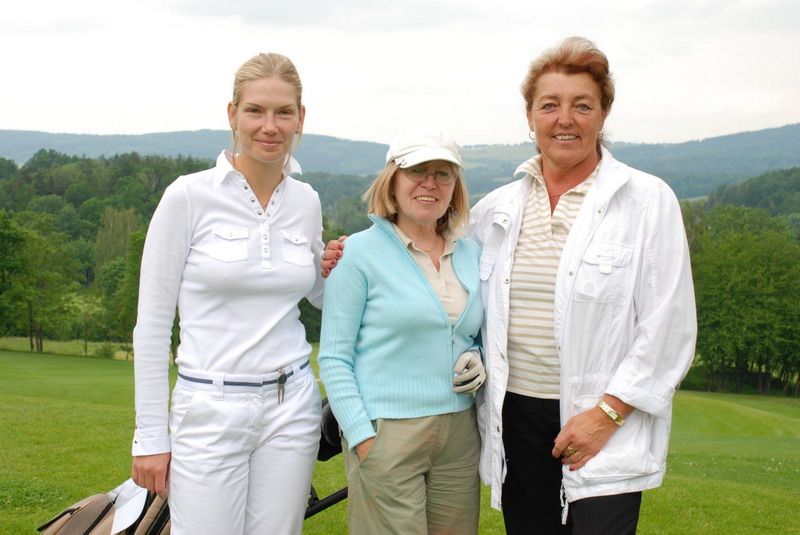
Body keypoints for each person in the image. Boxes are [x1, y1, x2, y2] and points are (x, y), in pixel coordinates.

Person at [323, 37, 697, 534]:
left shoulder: (647, 202)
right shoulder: (497, 211)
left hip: (600, 423)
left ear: (604, 113)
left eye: (582, 105)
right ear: (530, 116)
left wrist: (606, 414)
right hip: (515, 421)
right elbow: (437, 274)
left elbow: (669, 329)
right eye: (550, 105)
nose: (565, 119)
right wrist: (343, 254)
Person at [130, 52, 324, 535]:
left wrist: (341, 265)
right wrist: (150, 437)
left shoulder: (307, 201)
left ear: (301, 118)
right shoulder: (187, 196)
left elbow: (320, 295)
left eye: (284, 112)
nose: (270, 126)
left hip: (291, 407)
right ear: (233, 114)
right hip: (209, 409)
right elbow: (152, 326)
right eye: (255, 110)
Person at [318, 131, 486, 535]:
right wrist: (362, 437)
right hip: (386, 432)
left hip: (460, 434)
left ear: (455, 186)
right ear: (392, 181)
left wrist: (477, 353)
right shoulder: (356, 253)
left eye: (443, 174)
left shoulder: (471, 252)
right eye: (417, 172)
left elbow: (471, 332)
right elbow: (334, 358)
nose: (430, 183)